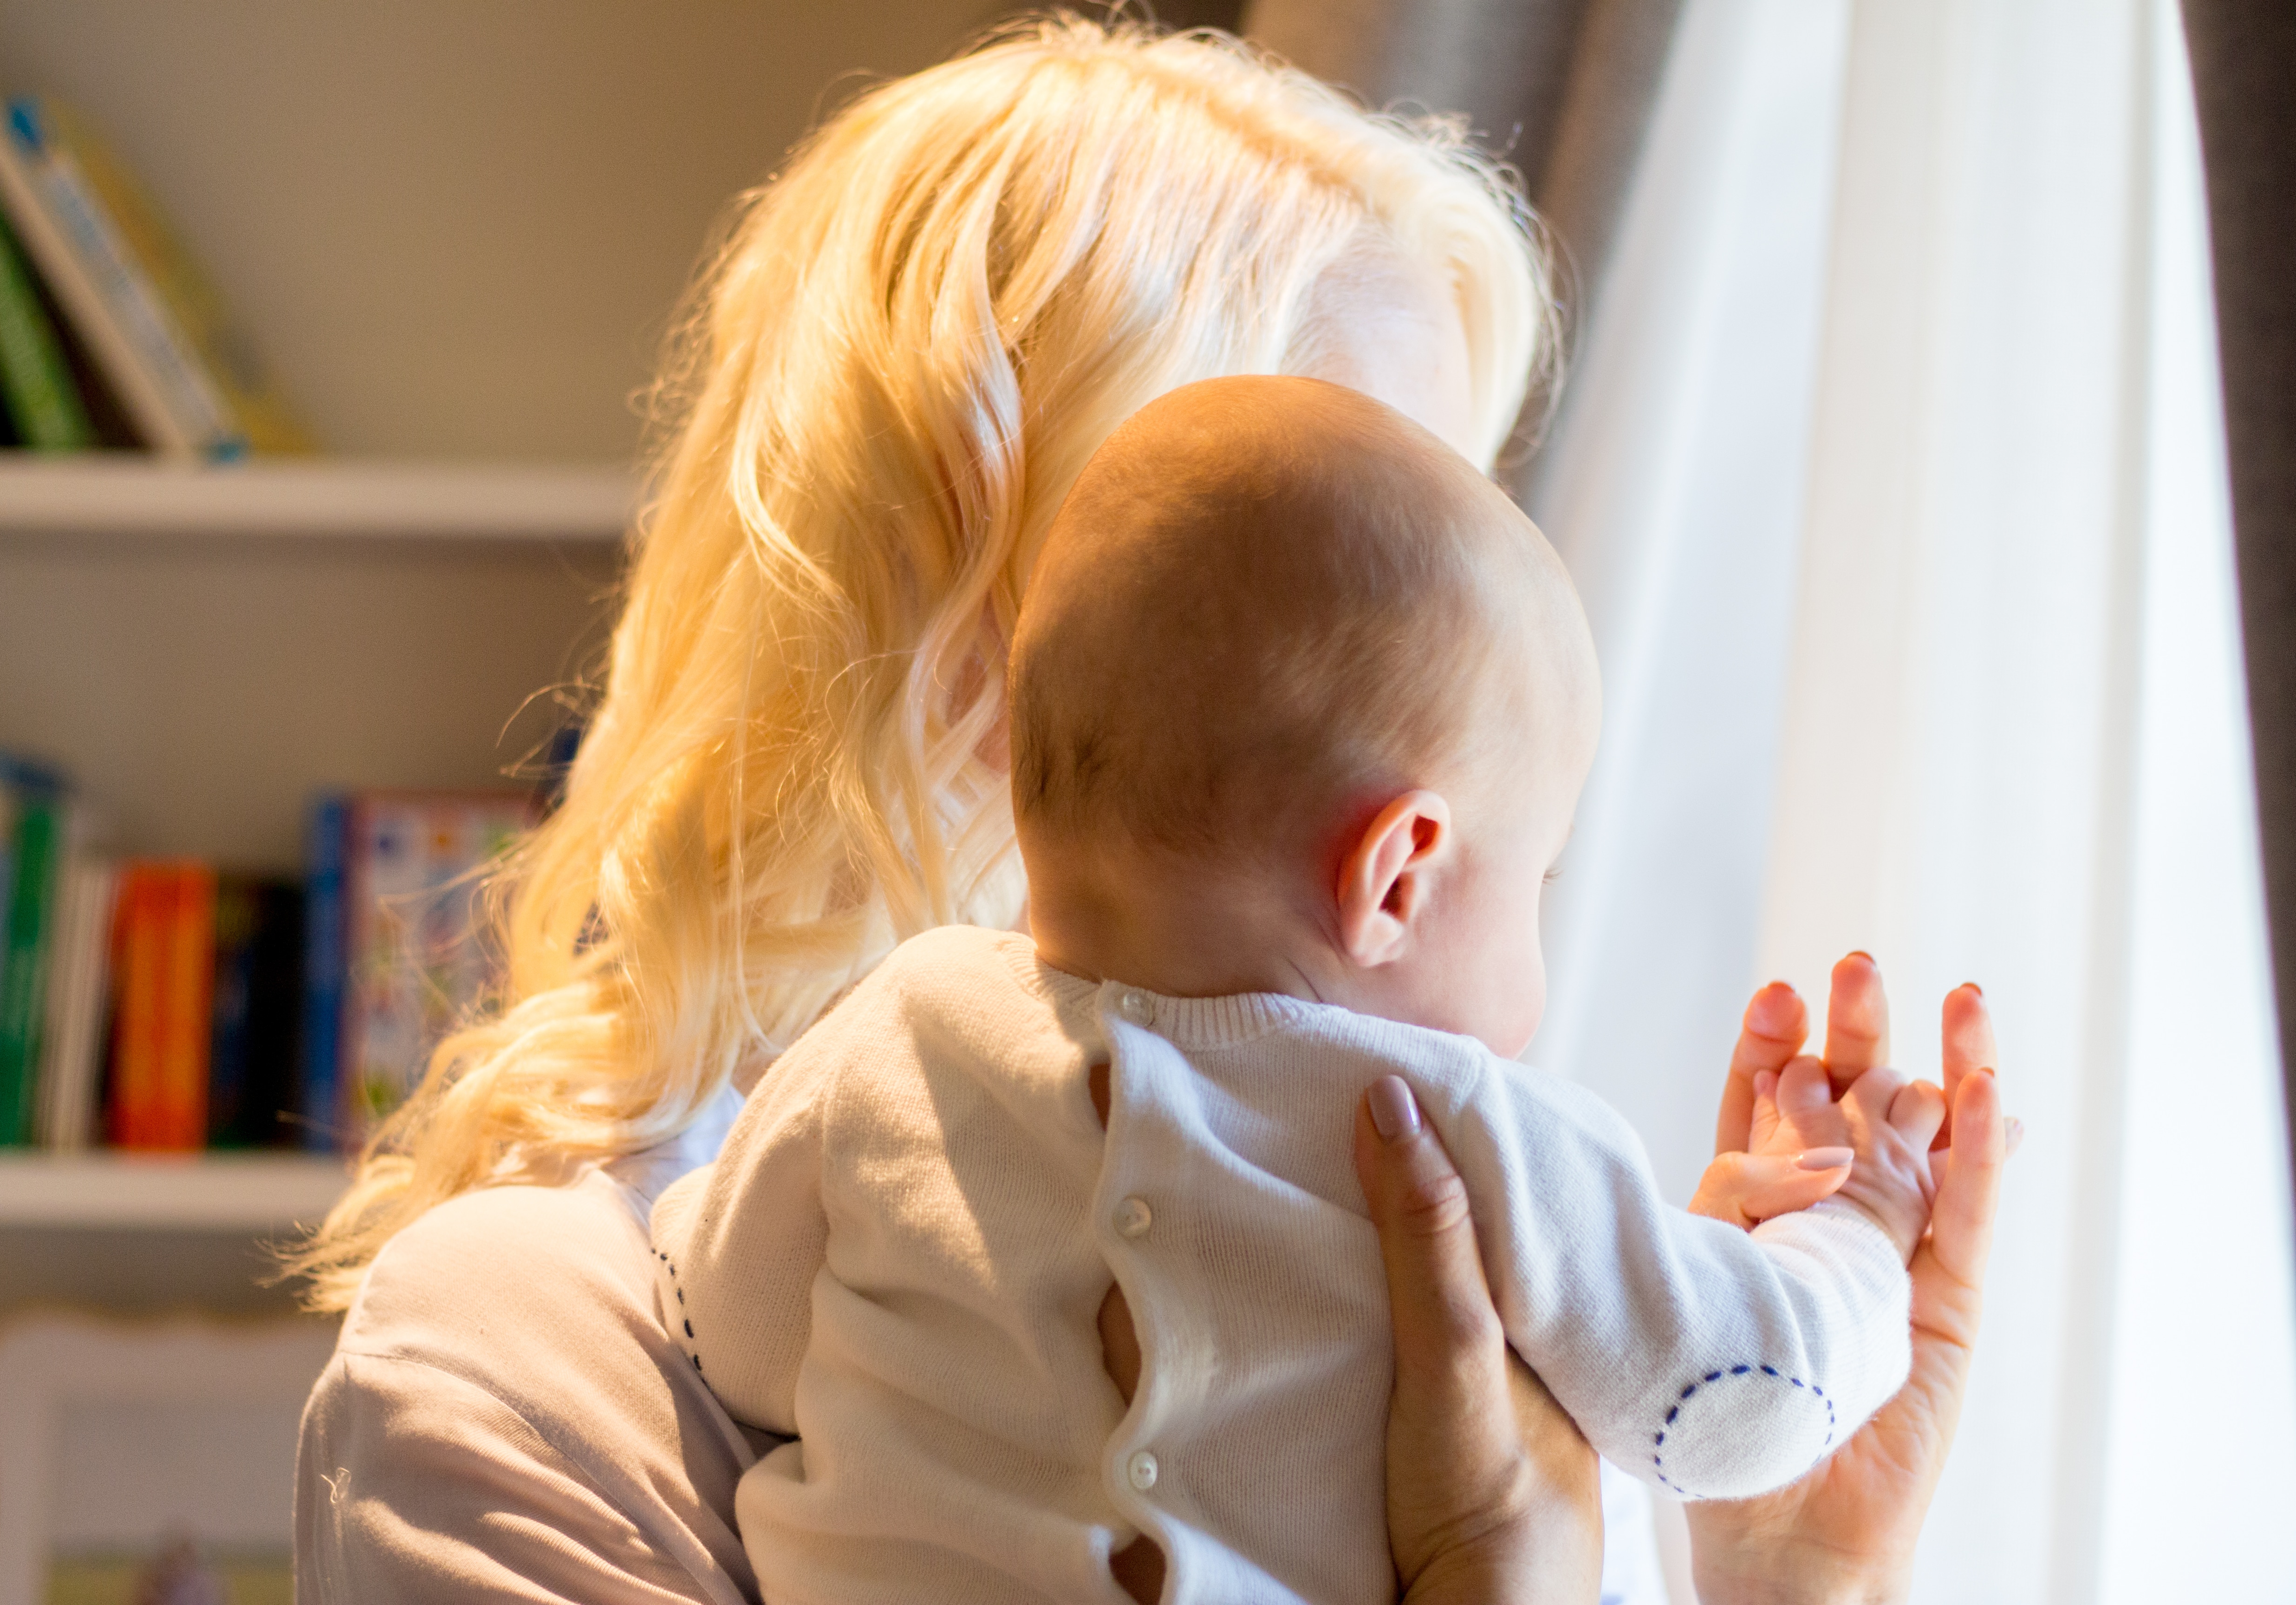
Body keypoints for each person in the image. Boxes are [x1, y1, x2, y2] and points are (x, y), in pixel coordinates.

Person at [290, 19, 2011, 1603]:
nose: (1450, 682)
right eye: (1337, 548)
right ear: (984, 625)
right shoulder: (536, 1362)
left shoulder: (1420, 1262)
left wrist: (1783, 1587)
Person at [654, 375, 1943, 1605]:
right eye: (1537, 884)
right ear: (1398, 875)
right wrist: (1859, 1235)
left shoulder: (899, 1031)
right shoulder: (1464, 1128)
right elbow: (1741, 1400)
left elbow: (735, 1330)